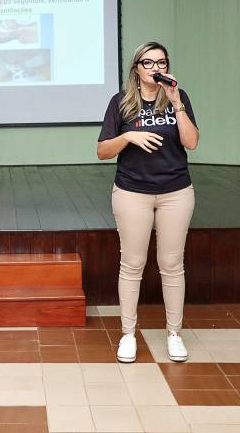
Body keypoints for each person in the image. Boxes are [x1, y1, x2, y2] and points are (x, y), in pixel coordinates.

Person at [97, 41, 199, 363]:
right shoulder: (121, 103)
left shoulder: (178, 98)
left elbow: (191, 142)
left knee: (172, 264)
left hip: (175, 192)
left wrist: (177, 103)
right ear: (136, 69)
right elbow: (102, 151)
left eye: (161, 63)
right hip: (132, 192)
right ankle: (128, 334)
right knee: (132, 263)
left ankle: (174, 334)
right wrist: (128, 136)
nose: (156, 68)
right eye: (149, 63)